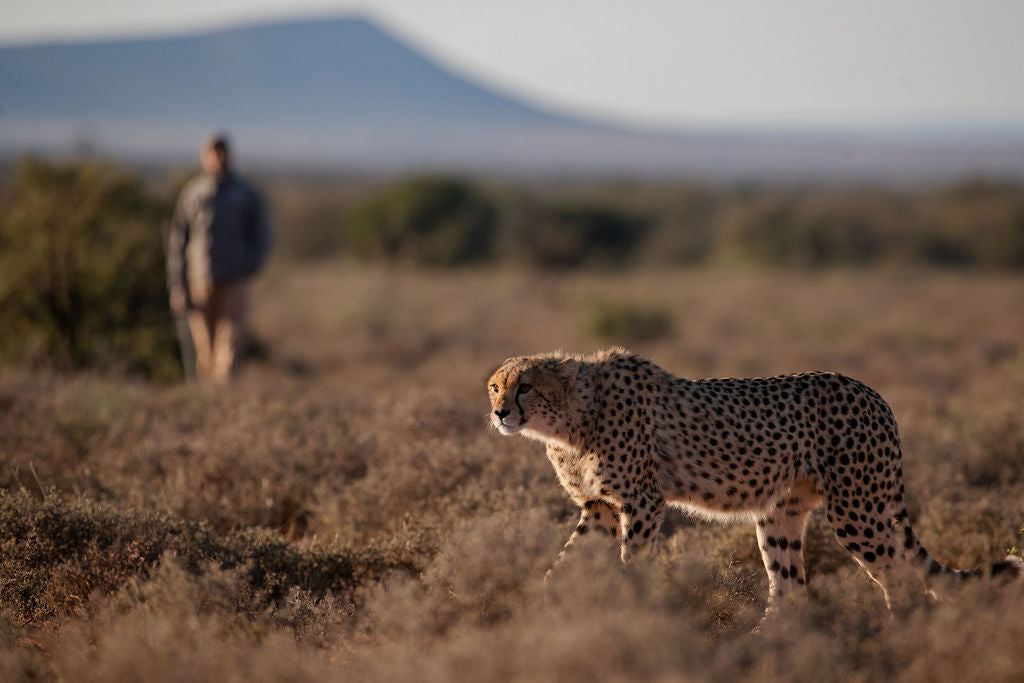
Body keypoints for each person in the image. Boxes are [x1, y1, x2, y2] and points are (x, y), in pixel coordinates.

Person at [167, 133, 272, 383]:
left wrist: (251, 266)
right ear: (204, 157)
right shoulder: (192, 193)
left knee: (230, 343)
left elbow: (261, 234)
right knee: (205, 347)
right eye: (214, 152)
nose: (219, 158)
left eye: (223, 152)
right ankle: (208, 401)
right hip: (199, 279)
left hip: (235, 278)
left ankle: (225, 396)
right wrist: (176, 284)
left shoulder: (244, 193)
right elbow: (178, 240)